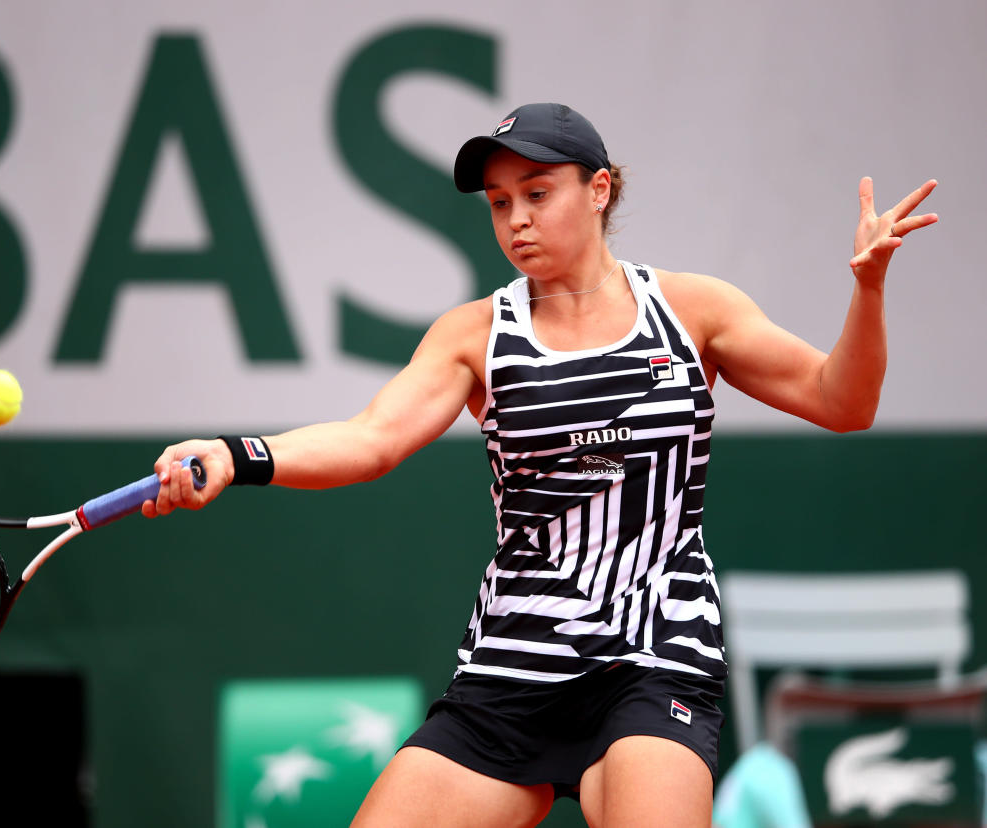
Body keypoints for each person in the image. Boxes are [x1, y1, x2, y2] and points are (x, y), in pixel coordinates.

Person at [141, 102, 939, 827]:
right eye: (498, 203)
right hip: (513, 665)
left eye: (537, 192)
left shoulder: (695, 311)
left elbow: (844, 403)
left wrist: (867, 291)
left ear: (599, 190)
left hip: (653, 659)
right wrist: (237, 455)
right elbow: (371, 438)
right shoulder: (473, 332)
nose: (516, 220)